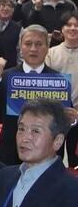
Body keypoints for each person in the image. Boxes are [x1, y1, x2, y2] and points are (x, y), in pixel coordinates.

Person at [0, 24, 72, 164]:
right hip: (10, 153)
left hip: (47, 154)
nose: (33, 49)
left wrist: (73, 120)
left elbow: (66, 121)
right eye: (28, 43)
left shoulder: (59, 81)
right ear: (20, 47)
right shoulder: (6, 76)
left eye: (39, 44)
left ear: (47, 47)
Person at [46, 11, 78, 165]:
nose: (73, 28)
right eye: (69, 25)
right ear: (62, 29)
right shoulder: (51, 53)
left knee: (74, 158)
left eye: (76, 25)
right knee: (55, 156)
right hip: (56, 113)